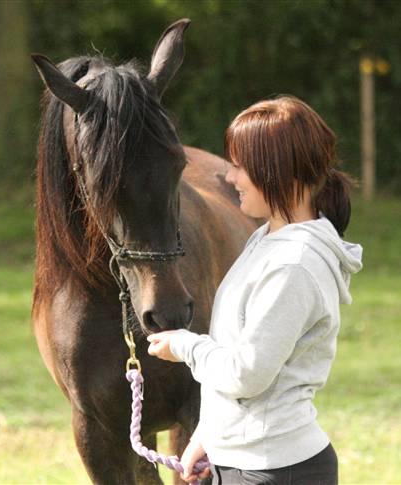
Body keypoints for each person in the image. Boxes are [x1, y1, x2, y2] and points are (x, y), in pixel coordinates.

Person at [147, 96, 363, 485]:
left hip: (275, 470)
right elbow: (240, 349)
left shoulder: (293, 265)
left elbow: (247, 373)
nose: (230, 179)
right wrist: (210, 437)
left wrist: (185, 345)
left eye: (240, 167)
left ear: (276, 171)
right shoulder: (266, 239)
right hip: (246, 462)